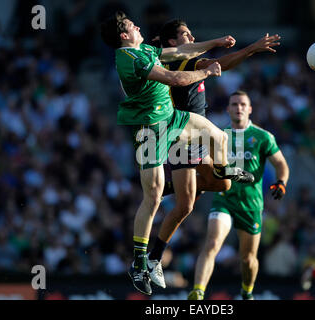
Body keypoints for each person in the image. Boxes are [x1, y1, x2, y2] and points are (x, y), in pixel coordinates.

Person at [99, 11, 254, 296]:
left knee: (218, 138)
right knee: (154, 195)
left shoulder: (143, 49)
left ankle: (220, 170)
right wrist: (206, 71)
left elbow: (181, 50)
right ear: (124, 35)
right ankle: (139, 264)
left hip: (171, 118)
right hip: (149, 129)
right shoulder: (128, 59)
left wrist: (217, 41)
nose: (137, 25)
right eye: (131, 25)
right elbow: (173, 78)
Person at [146, 19, 281, 289]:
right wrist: (251, 48)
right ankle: (154, 255)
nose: (192, 37)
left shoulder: (175, 61)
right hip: (188, 136)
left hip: (186, 137)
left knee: (199, 196)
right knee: (217, 185)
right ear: (172, 42)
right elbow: (223, 64)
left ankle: (154, 250)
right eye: (186, 34)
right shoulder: (182, 63)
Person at [187, 90, 290, 300]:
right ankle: (198, 291)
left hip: (251, 204)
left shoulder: (263, 137)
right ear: (228, 109)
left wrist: (281, 183)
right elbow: (207, 166)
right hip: (224, 199)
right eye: (234, 104)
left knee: (248, 258)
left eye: (243, 104)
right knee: (213, 243)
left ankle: (247, 291)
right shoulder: (219, 135)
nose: (239, 108)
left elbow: (281, 164)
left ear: (250, 109)